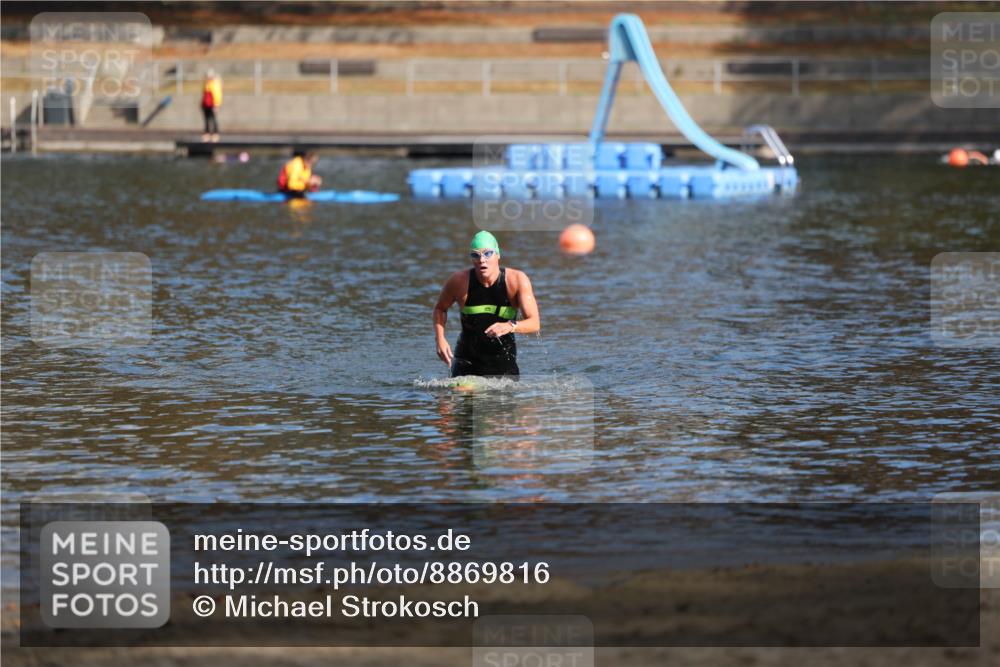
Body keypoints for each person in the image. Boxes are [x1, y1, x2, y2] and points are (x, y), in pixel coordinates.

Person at [433, 231, 540, 378]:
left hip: (503, 361)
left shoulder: (516, 280)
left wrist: (510, 326)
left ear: (498, 255)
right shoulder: (458, 281)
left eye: (488, 253)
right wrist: (440, 339)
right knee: (456, 396)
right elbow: (440, 308)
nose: (482, 260)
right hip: (466, 359)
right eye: (475, 255)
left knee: (498, 399)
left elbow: (534, 323)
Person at [201, 70, 222, 142]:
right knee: (206, 119)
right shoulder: (206, 84)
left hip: (212, 104)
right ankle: (207, 133)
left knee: (213, 119)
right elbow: (204, 95)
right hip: (205, 104)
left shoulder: (215, 84)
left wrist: (216, 105)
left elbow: (217, 96)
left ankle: (215, 134)